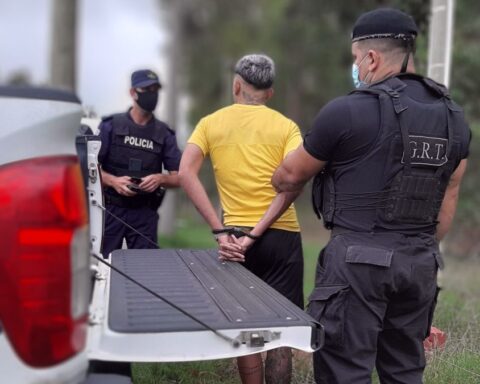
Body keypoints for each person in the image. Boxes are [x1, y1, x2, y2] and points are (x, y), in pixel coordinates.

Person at [270, 8, 471, 384]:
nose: (356, 67)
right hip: (420, 262)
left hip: (358, 263)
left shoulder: (347, 112)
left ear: (372, 58)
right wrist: (413, 247)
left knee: (345, 372)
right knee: (405, 371)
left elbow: (288, 177)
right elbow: (450, 195)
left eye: (355, 60)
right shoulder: (454, 119)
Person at [179, 54, 303, 384]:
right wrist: (258, 233)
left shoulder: (210, 123)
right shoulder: (287, 127)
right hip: (281, 236)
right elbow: (294, 181)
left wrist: (220, 232)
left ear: (237, 85)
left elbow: (185, 173)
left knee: (244, 325)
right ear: (270, 93)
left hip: (233, 239)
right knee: (283, 330)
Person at [98, 69, 181, 258]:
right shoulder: (110, 126)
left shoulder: (164, 133)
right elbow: (89, 169)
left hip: (145, 214)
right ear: (133, 93)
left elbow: (181, 178)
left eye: (155, 89)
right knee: (104, 269)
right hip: (111, 211)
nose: (152, 94)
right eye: (147, 89)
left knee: (145, 271)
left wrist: (160, 178)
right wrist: (113, 181)